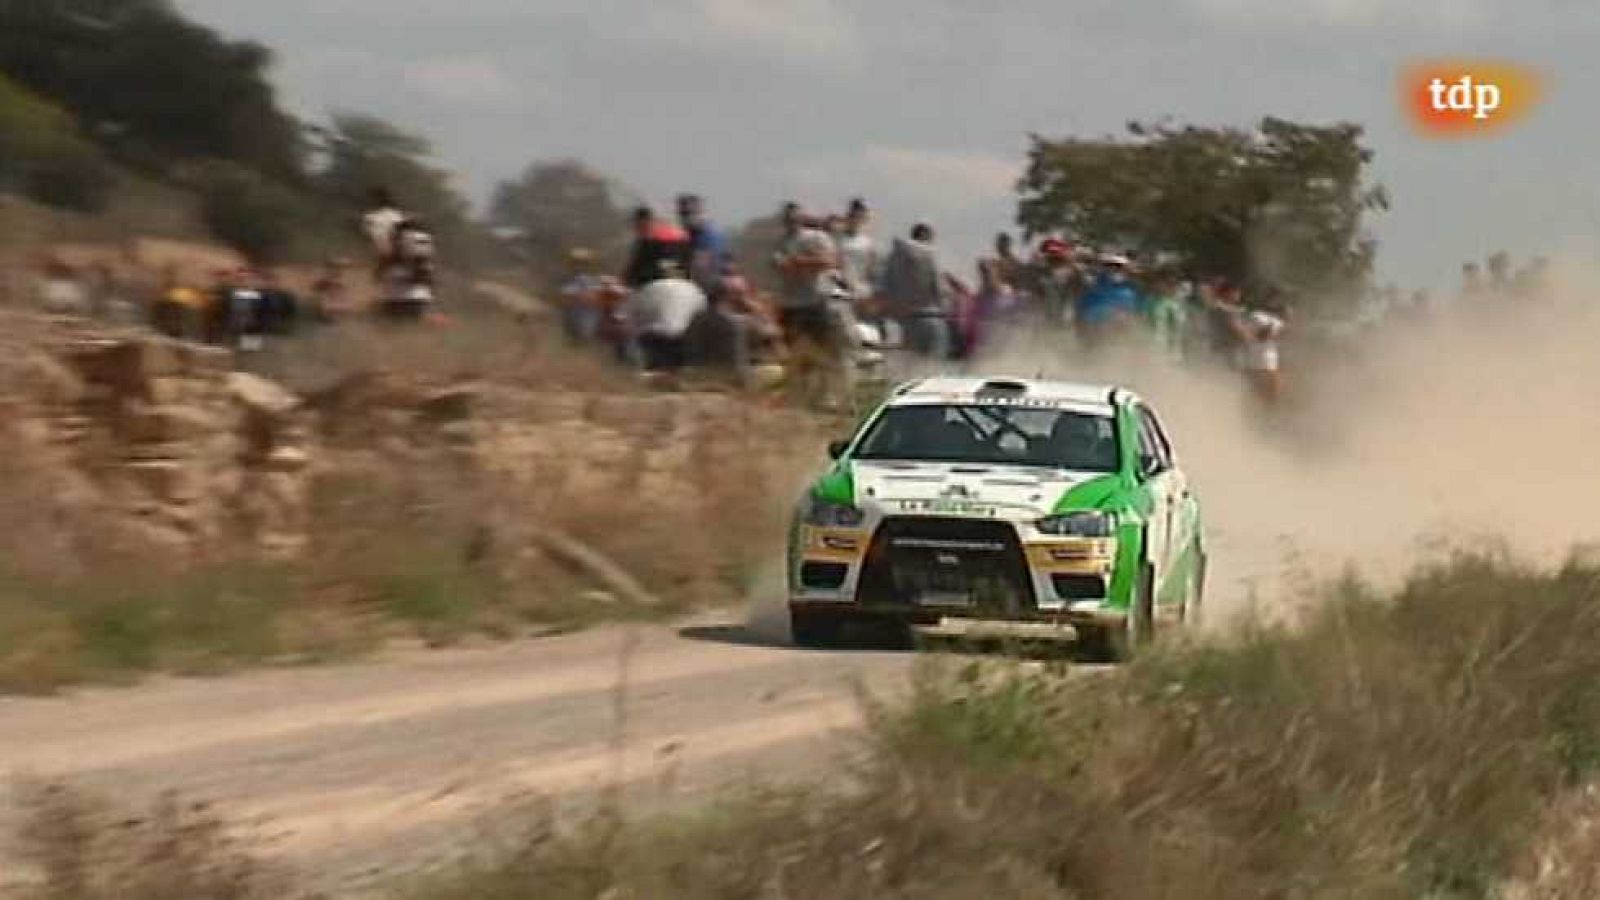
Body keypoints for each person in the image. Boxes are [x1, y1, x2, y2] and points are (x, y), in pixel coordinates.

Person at [623, 261, 708, 377]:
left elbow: (635, 314)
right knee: (676, 367)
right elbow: (702, 314)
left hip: (655, 335)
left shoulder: (650, 288)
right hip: (683, 337)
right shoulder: (694, 290)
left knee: (653, 363)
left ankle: (651, 374)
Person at [879, 222, 951, 359]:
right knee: (935, 370)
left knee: (914, 371)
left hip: (909, 322)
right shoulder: (929, 255)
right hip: (931, 316)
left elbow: (887, 291)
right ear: (926, 236)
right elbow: (940, 289)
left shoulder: (896, 260)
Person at [1074, 253, 1143, 351]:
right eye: (1109, 266)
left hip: (1121, 340)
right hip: (1095, 340)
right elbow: (1081, 316)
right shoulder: (1093, 290)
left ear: (1125, 270)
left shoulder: (1131, 292)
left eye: (1118, 267)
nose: (1113, 269)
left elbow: (1136, 317)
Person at [623, 206, 692, 289]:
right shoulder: (644, 244)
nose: (640, 229)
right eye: (638, 226)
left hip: (676, 289)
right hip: (654, 291)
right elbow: (633, 270)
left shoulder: (672, 241)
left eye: (643, 225)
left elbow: (676, 269)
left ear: (652, 222)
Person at [677, 194, 730, 293]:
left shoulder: (711, 235)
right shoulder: (685, 236)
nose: (686, 218)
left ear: (700, 212)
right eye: (683, 214)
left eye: (689, 213)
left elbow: (702, 270)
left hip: (709, 289)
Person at [558, 247, 606, 344]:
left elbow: (596, 299)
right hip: (574, 318)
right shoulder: (570, 280)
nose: (579, 266)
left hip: (585, 319)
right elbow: (565, 296)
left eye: (582, 263)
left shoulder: (595, 281)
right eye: (577, 263)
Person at [362, 188, 406, 280]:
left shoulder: (370, 217)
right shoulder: (397, 215)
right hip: (399, 251)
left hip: (385, 252)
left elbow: (368, 236)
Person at [1146, 272, 1189, 364]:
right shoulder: (1153, 301)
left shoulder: (1175, 304)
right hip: (1158, 341)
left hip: (1168, 345)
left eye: (1171, 285)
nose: (1163, 287)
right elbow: (1148, 320)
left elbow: (1178, 325)